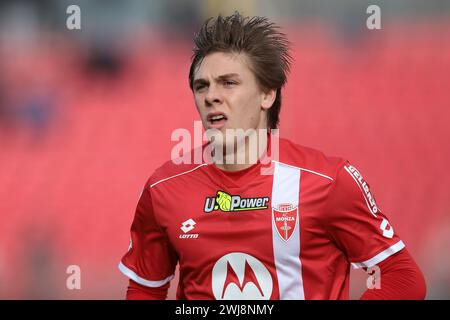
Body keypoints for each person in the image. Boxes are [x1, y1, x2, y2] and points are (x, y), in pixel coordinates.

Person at [118, 12, 426, 300]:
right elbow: (144, 290)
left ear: (268, 94)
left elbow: (402, 277)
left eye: (229, 82)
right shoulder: (163, 188)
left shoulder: (328, 181)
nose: (211, 95)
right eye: (201, 86)